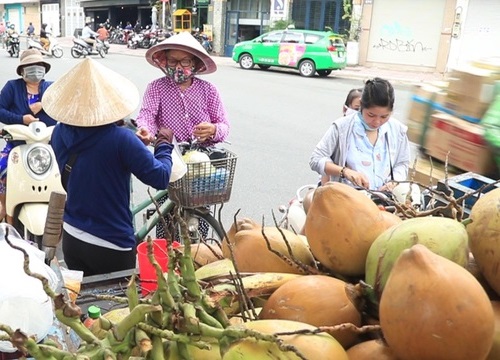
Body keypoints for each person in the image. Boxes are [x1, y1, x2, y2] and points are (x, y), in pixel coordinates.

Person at [43, 58, 174, 276]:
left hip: (73, 237)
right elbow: (160, 177)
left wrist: (133, 143)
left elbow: (94, 158)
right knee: (119, 306)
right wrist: (164, 146)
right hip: (112, 244)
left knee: (85, 304)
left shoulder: (58, 132)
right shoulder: (121, 139)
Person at [135, 31, 230, 238]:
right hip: (169, 160)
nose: (178, 67)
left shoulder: (208, 91)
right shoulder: (156, 88)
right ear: (164, 61)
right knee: (166, 221)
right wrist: (145, 131)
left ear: (195, 63)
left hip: (201, 164)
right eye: (172, 60)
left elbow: (224, 125)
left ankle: (199, 251)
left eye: (185, 61)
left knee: (200, 218)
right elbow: (147, 117)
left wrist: (213, 130)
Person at [309, 78, 410, 192]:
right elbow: (316, 159)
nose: (377, 122)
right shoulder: (342, 127)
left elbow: (402, 163)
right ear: (362, 105)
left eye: (384, 117)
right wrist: (344, 172)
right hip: (346, 199)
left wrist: (393, 182)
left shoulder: (397, 130)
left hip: (384, 201)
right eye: (371, 115)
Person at [0, 49, 56, 221]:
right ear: (22, 70)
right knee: (2, 172)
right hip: (18, 145)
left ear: (44, 69)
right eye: (30, 66)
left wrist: (43, 105)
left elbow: (61, 112)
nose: (35, 70)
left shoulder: (51, 89)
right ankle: (4, 207)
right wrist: (21, 119)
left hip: (47, 148)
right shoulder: (12, 87)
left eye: (39, 66)